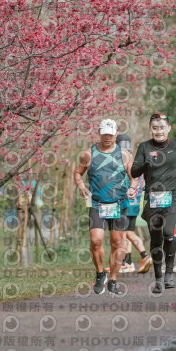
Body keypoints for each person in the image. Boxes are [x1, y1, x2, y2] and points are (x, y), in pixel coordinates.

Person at [74, 119, 138, 294]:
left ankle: (113, 281)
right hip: (97, 204)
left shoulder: (124, 155)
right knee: (96, 241)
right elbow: (78, 173)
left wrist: (132, 188)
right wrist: (81, 186)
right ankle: (100, 273)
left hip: (119, 203)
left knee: (117, 243)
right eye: (105, 134)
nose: (108, 137)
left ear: (115, 134)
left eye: (111, 134)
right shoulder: (88, 154)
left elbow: (134, 176)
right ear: (99, 133)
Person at [131, 113, 176, 294]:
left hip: (171, 198)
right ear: (150, 129)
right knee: (156, 239)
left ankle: (169, 275)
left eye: (162, 127)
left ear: (169, 128)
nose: (158, 131)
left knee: (169, 234)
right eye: (155, 128)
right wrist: (145, 164)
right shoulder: (144, 147)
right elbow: (134, 172)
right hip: (152, 199)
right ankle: (158, 278)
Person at [116, 134, 153, 274]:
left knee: (123, 234)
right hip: (135, 203)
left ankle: (143, 256)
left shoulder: (123, 161)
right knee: (128, 233)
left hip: (125, 202)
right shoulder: (137, 161)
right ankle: (129, 263)